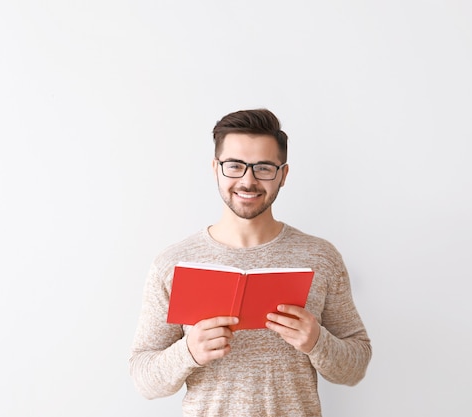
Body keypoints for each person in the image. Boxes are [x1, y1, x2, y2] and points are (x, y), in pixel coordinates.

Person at [129, 109, 371, 416]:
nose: (248, 180)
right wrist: (188, 352)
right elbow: (142, 376)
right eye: (235, 166)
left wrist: (316, 341)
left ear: (283, 174)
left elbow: (356, 364)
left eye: (263, 168)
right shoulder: (173, 263)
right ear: (215, 168)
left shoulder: (321, 257)